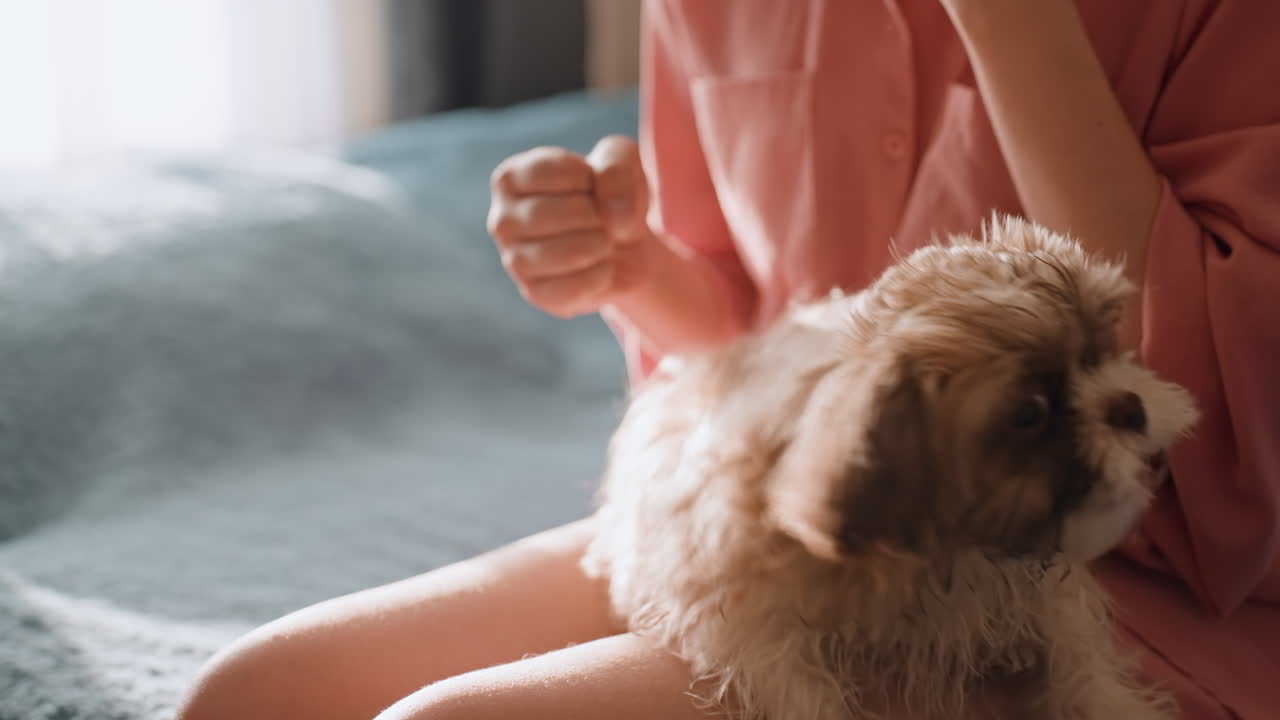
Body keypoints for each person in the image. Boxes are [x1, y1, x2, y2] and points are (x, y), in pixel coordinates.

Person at [176, 1, 1280, 718]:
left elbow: (1210, 428)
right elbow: (759, 344)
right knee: (256, 695)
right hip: (798, 526)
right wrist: (636, 267)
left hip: (1112, 575)